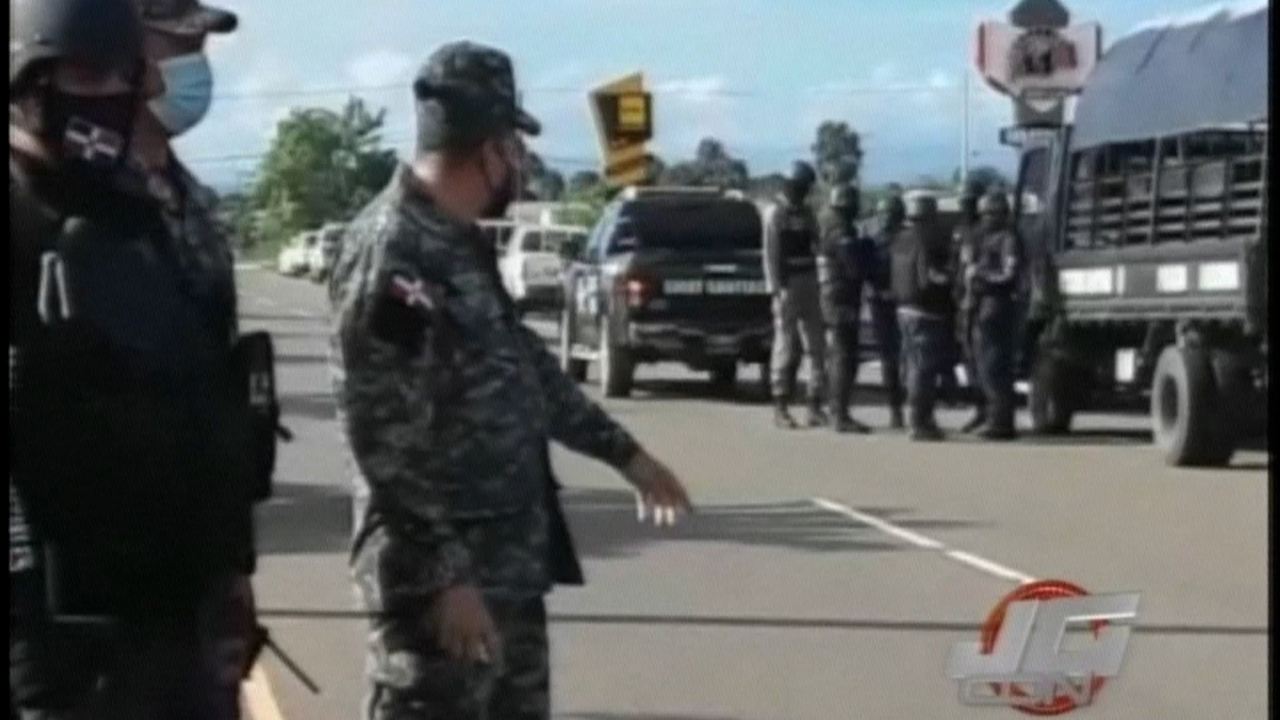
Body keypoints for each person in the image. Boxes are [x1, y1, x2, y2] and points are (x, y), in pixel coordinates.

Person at [328, 41, 692, 720]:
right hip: (443, 590)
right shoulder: (395, 247)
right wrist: (446, 576)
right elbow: (381, 432)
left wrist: (626, 455)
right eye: (512, 145)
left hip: (505, 571)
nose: (519, 164)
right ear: (487, 147)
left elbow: (523, 369)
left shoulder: (458, 241)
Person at [10, 0, 264, 718]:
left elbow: (198, 400)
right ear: (29, 83)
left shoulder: (133, 217)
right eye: (91, 76)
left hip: (171, 618)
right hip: (60, 640)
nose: (119, 97)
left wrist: (226, 570)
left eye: (126, 77)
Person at [763, 160, 828, 429]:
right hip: (788, 285)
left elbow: (818, 243)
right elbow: (770, 254)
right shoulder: (775, 213)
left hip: (810, 281)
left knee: (817, 346)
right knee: (786, 346)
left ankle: (814, 405)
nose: (803, 193)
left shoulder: (807, 212)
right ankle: (781, 405)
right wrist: (776, 289)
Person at [890, 194, 955, 441]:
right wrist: (952, 281)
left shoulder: (901, 238)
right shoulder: (929, 238)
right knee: (923, 369)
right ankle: (919, 422)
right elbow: (930, 277)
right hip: (927, 311)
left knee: (912, 365)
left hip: (903, 309)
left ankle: (919, 418)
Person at [967, 190, 1024, 441]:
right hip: (981, 305)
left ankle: (1000, 422)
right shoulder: (982, 238)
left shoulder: (1008, 239)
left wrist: (981, 276)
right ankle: (993, 417)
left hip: (998, 305)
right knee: (983, 365)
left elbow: (1009, 275)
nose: (985, 219)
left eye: (989, 214)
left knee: (995, 365)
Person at [817, 184, 872, 434]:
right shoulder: (842, 232)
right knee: (844, 356)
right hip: (841, 297)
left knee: (841, 355)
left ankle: (836, 409)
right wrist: (867, 252)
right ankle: (840, 414)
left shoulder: (827, 225)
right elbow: (854, 268)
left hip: (834, 295)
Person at [867, 195, 907, 429]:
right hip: (881, 303)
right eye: (883, 214)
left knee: (908, 358)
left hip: (905, 303)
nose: (886, 219)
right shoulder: (874, 241)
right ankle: (896, 409)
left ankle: (910, 409)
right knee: (889, 359)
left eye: (889, 214)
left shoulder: (908, 240)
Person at [954, 188, 988, 433]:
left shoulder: (979, 233)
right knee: (970, 359)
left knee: (978, 358)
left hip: (975, 302)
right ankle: (980, 408)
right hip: (964, 301)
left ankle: (984, 409)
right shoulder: (962, 232)